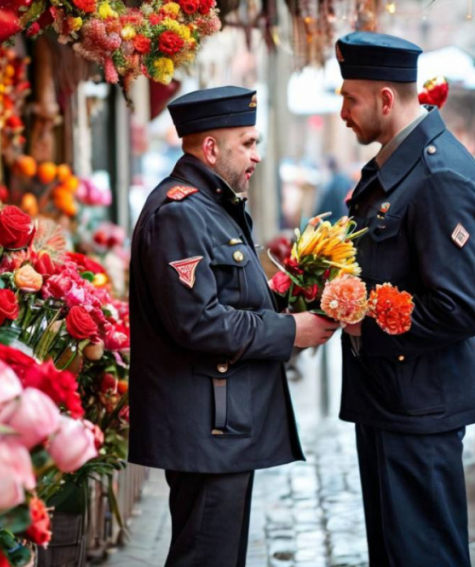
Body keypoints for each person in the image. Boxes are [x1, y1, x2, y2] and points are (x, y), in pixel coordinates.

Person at [127, 86, 339, 567]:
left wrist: (294, 294)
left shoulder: (209, 205)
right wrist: (292, 333)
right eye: (247, 143)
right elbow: (198, 323)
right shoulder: (181, 212)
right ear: (211, 149)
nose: (257, 156)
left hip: (219, 428)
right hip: (206, 431)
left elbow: (229, 297)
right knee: (206, 557)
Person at [335, 32, 475, 566]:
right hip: (389, 399)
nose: (342, 112)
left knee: (424, 555)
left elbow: (465, 305)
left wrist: (364, 326)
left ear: (385, 99)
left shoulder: (438, 176)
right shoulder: (396, 170)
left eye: (350, 98)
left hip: (419, 406)